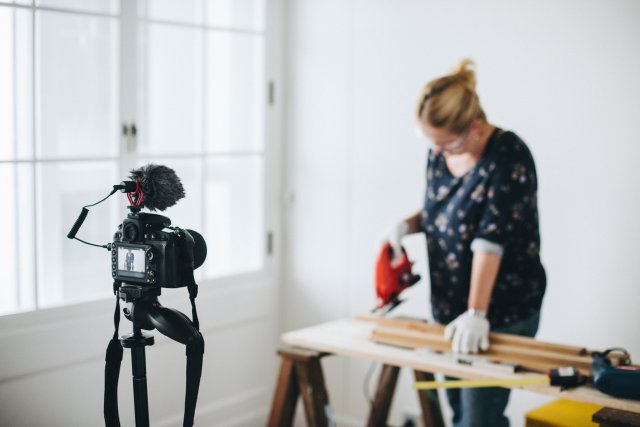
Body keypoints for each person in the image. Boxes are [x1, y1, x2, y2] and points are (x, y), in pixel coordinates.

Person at [384, 59, 546, 427]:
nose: (437, 153)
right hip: (448, 307)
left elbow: (491, 240)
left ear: (474, 127)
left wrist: (476, 314)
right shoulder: (441, 151)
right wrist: (407, 225)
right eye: (431, 144)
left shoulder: (509, 157)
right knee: (459, 413)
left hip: (500, 311)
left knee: (478, 421)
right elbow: (441, 211)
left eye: (445, 144)